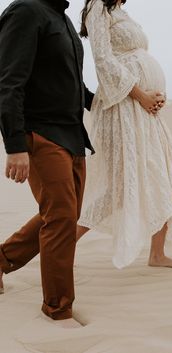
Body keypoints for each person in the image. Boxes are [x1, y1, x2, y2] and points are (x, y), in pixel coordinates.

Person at [76, 0, 172, 270]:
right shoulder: (98, 6)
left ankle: (157, 254)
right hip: (122, 109)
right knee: (121, 187)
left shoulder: (121, 11)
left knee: (163, 174)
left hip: (144, 111)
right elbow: (103, 59)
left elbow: (138, 59)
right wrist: (141, 95)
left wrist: (156, 96)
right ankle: (62, 245)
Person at [0, 0, 94, 327]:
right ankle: (58, 309)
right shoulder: (26, 11)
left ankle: (0, 259)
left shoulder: (63, 20)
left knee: (63, 214)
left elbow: (73, 85)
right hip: (39, 132)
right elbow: (8, 81)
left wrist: (112, 103)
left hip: (72, 135)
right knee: (62, 216)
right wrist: (14, 144)